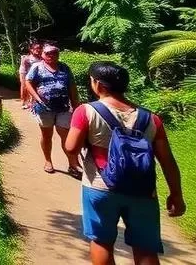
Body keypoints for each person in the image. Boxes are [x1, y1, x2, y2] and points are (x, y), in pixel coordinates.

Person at [65, 62, 186, 265]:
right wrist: (176, 194)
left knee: (102, 242)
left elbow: (70, 148)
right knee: (146, 249)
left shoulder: (86, 111)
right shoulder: (151, 119)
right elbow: (168, 161)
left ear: (97, 85)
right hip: (143, 191)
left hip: (100, 188)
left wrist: (79, 153)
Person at [25, 44, 81, 177]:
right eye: (48, 53)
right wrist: (37, 98)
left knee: (66, 136)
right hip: (44, 108)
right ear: (43, 54)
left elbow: (72, 87)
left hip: (63, 108)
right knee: (47, 135)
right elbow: (28, 82)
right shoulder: (37, 67)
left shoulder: (65, 68)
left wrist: (76, 105)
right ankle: (48, 161)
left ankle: (73, 164)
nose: (51, 55)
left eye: (54, 53)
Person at [19, 41, 43, 110]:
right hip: (25, 73)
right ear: (31, 49)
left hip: (36, 74)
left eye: (40, 48)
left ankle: (32, 103)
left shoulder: (42, 58)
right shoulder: (26, 58)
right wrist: (24, 78)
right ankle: (24, 101)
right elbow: (24, 69)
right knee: (24, 87)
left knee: (34, 88)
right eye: (37, 48)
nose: (39, 50)